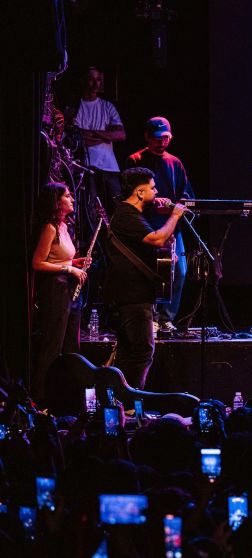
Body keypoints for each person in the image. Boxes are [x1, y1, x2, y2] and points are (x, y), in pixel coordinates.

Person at [105, 167, 186, 389]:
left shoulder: (133, 215)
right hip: (132, 295)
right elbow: (156, 239)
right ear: (140, 192)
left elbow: (152, 245)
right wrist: (175, 215)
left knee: (129, 351)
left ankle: (122, 402)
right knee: (142, 351)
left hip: (135, 293)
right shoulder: (127, 215)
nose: (157, 191)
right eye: (152, 187)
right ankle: (132, 403)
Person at [126, 117, 194, 333]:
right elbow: (129, 195)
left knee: (179, 271)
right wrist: (154, 202)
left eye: (165, 138)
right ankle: (150, 317)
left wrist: (174, 206)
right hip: (146, 225)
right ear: (147, 137)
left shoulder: (175, 163)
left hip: (172, 226)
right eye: (157, 138)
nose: (162, 142)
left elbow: (186, 195)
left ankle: (166, 317)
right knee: (151, 271)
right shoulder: (135, 160)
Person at [30, 183, 90, 403]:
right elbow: (38, 263)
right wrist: (69, 268)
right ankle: (40, 399)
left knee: (70, 346)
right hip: (55, 289)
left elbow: (59, 257)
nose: (72, 198)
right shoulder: (50, 228)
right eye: (67, 195)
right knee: (52, 345)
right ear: (57, 203)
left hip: (69, 288)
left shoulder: (64, 226)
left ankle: (64, 398)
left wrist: (75, 262)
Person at [68, 67, 125, 213]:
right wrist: (105, 136)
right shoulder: (75, 107)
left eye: (98, 80)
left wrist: (92, 133)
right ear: (83, 81)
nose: (96, 83)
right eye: (91, 79)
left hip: (109, 167)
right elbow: (78, 139)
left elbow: (120, 135)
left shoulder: (107, 106)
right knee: (92, 210)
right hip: (86, 166)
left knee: (117, 208)